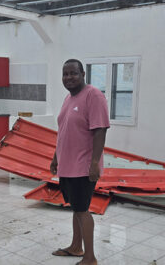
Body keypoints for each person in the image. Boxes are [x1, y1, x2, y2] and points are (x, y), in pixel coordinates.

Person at [50, 59, 109, 265]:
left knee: (82, 210)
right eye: (65, 74)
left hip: (83, 167)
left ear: (83, 74)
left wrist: (94, 163)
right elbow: (64, 130)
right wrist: (56, 157)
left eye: (73, 73)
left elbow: (100, 129)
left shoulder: (93, 95)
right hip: (68, 166)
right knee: (76, 208)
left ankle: (90, 257)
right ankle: (76, 247)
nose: (69, 78)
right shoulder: (69, 98)